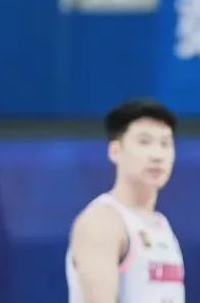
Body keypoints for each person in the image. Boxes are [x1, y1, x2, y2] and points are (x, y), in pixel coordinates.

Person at [66, 99, 184, 303]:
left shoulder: (161, 225)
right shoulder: (101, 222)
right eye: (144, 142)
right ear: (115, 151)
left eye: (165, 143)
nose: (157, 155)